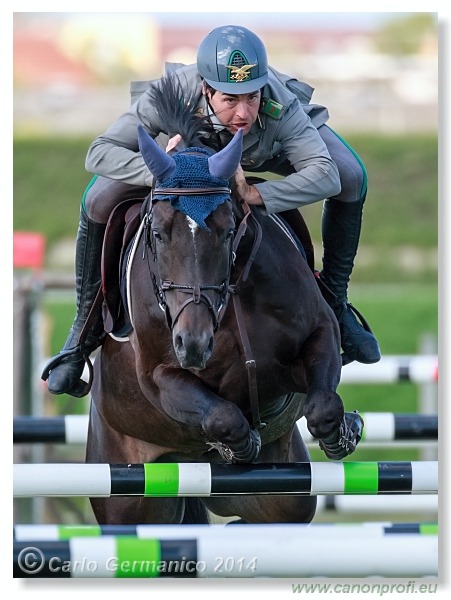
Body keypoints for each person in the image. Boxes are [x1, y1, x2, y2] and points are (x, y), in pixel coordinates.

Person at [42, 24, 381, 398]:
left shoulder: (278, 104)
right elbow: (99, 152)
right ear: (205, 88)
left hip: (262, 154)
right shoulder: (170, 95)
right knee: (96, 200)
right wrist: (163, 175)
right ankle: (81, 331)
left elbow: (327, 175)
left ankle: (336, 301)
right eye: (229, 99)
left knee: (352, 175)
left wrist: (256, 193)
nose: (244, 112)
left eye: (251, 97)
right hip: (178, 157)